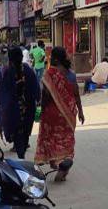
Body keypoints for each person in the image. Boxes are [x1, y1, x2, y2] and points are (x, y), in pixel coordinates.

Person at [35, 47, 85, 181]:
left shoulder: (49, 74)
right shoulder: (71, 74)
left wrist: (41, 110)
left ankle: (56, 162)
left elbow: (45, 96)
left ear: (55, 59)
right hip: (68, 114)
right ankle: (66, 161)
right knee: (66, 139)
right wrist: (80, 111)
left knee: (52, 139)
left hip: (51, 113)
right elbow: (76, 94)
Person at [0, 46, 40, 159]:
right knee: (25, 133)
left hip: (14, 111)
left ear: (10, 59)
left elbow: (3, 92)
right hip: (29, 109)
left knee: (17, 133)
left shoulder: (8, 72)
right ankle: (22, 152)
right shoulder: (29, 70)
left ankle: (20, 154)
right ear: (22, 58)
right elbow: (37, 89)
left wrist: (0, 107)